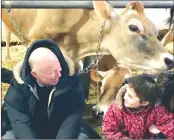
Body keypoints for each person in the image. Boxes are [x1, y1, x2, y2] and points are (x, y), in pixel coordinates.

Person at [2, 39, 100, 139]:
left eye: (59, 69)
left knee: (82, 138)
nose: (58, 75)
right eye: (51, 72)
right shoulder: (17, 89)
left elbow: (71, 119)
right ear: (34, 74)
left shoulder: (71, 83)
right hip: (30, 131)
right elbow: (21, 123)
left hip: (60, 131)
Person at [102, 74, 174, 139]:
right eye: (126, 92)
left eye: (130, 96)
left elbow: (170, 127)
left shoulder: (158, 110)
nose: (125, 97)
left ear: (144, 103)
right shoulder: (117, 109)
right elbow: (109, 129)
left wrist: (159, 131)